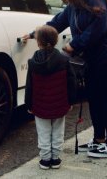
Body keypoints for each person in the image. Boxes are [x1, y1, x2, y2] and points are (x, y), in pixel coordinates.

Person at [23, 0, 107, 158]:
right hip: (96, 58)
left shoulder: (95, 0)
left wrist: (74, 45)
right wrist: (33, 34)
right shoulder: (75, 5)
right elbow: (56, 23)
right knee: (95, 98)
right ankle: (99, 141)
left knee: (105, 99)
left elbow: (99, 29)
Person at [25, 25, 76, 170]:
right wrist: (70, 101)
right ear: (55, 41)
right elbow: (71, 82)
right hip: (60, 104)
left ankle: (45, 159)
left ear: (38, 42)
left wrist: (29, 104)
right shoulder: (63, 60)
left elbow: (29, 86)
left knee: (43, 132)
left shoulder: (33, 62)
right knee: (58, 131)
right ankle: (55, 158)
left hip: (40, 106)